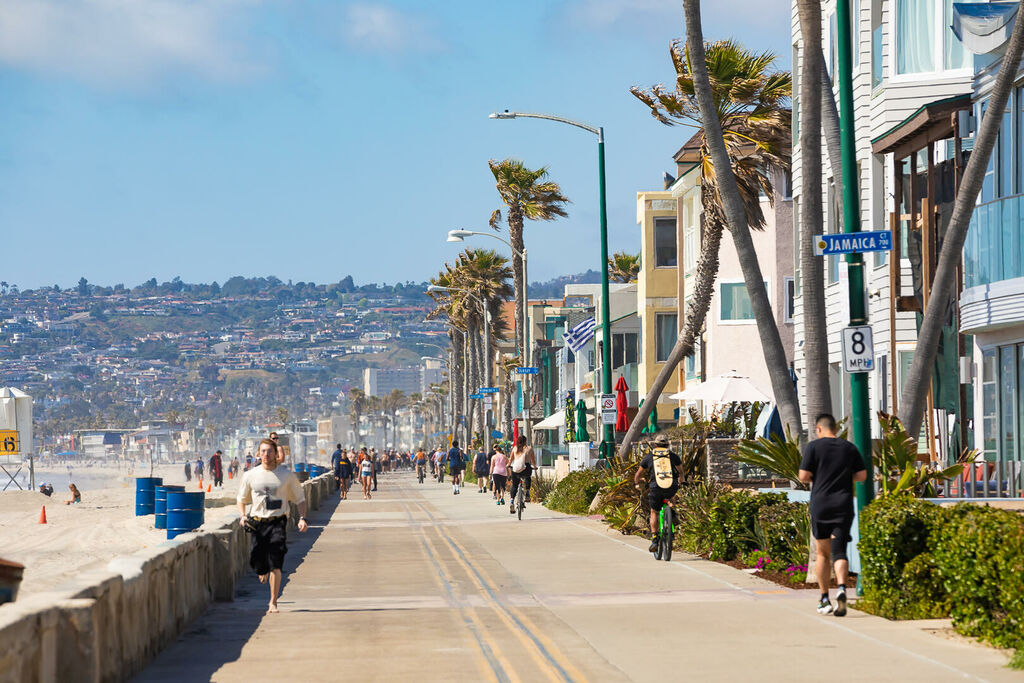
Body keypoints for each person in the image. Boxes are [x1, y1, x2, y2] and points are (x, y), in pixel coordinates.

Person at [799, 414, 866, 617]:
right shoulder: (849, 448)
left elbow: (803, 476)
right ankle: (842, 588)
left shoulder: (813, 447)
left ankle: (824, 598)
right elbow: (862, 475)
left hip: (821, 505)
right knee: (840, 551)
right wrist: (844, 477)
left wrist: (818, 476)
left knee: (822, 554)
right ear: (835, 429)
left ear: (819, 429)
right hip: (843, 504)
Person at [236, 438, 308, 614]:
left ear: (276, 454)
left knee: (276, 562)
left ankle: (273, 602)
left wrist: (302, 518)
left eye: (270, 451)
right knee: (257, 561)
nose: (266, 454)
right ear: (258, 454)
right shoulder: (250, 475)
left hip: (278, 522)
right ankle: (262, 569)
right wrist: (243, 516)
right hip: (257, 523)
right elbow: (241, 499)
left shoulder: (286, 475)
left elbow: (300, 498)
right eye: (263, 451)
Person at [633, 434, 683, 553]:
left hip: (655, 487)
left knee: (654, 511)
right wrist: (682, 480)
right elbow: (681, 472)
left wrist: (638, 482)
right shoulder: (674, 456)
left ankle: (655, 538)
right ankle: (672, 514)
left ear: (655, 445)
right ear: (667, 445)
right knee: (671, 497)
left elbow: (637, 475)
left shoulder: (649, 457)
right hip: (671, 486)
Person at [507, 436, 536, 513]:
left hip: (516, 469)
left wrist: (508, 465)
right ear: (525, 441)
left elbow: (510, 459)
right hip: (526, 468)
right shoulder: (529, 448)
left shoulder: (515, 448)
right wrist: (535, 466)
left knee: (514, 485)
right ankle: (527, 493)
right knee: (528, 477)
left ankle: (512, 501)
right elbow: (533, 460)